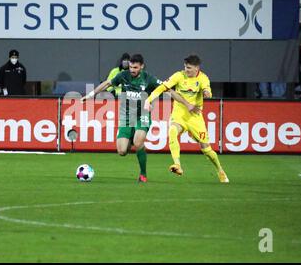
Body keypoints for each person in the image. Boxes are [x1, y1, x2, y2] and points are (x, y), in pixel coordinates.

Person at [81, 54, 195, 183]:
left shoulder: (149, 79)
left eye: (135, 67)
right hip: (126, 117)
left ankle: (143, 174)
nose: (132, 70)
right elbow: (107, 83)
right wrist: (91, 95)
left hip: (143, 115)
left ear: (141, 66)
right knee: (122, 151)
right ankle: (132, 136)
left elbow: (168, 90)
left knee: (138, 142)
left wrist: (187, 104)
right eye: (130, 67)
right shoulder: (123, 76)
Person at [144, 54, 229, 183]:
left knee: (206, 149)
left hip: (195, 117)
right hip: (179, 114)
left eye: (189, 68)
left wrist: (207, 93)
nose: (186, 70)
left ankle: (220, 170)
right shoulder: (179, 75)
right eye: (185, 67)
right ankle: (177, 165)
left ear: (196, 68)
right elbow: (162, 87)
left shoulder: (203, 78)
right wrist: (149, 100)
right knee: (172, 131)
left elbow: (207, 91)